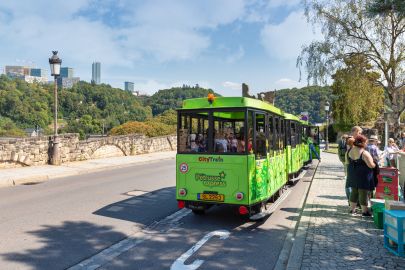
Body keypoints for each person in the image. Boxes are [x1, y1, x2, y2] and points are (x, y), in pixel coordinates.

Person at [346, 135, 376, 216]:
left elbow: (348, 162)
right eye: (366, 142)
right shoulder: (364, 152)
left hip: (353, 174)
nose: (366, 143)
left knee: (354, 191)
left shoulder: (350, 150)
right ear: (363, 142)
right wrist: (374, 163)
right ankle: (365, 211)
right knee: (363, 192)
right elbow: (371, 165)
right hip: (363, 175)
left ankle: (351, 210)